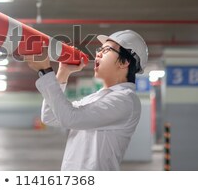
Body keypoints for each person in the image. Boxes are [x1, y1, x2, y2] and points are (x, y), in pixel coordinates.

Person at [25, 30, 149, 171]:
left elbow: (70, 118)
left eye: (106, 50)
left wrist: (45, 71)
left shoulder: (125, 100)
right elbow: (50, 117)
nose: (98, 53)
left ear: (125, 62)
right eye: (99, 49)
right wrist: (63, 73)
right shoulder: (99, 96)